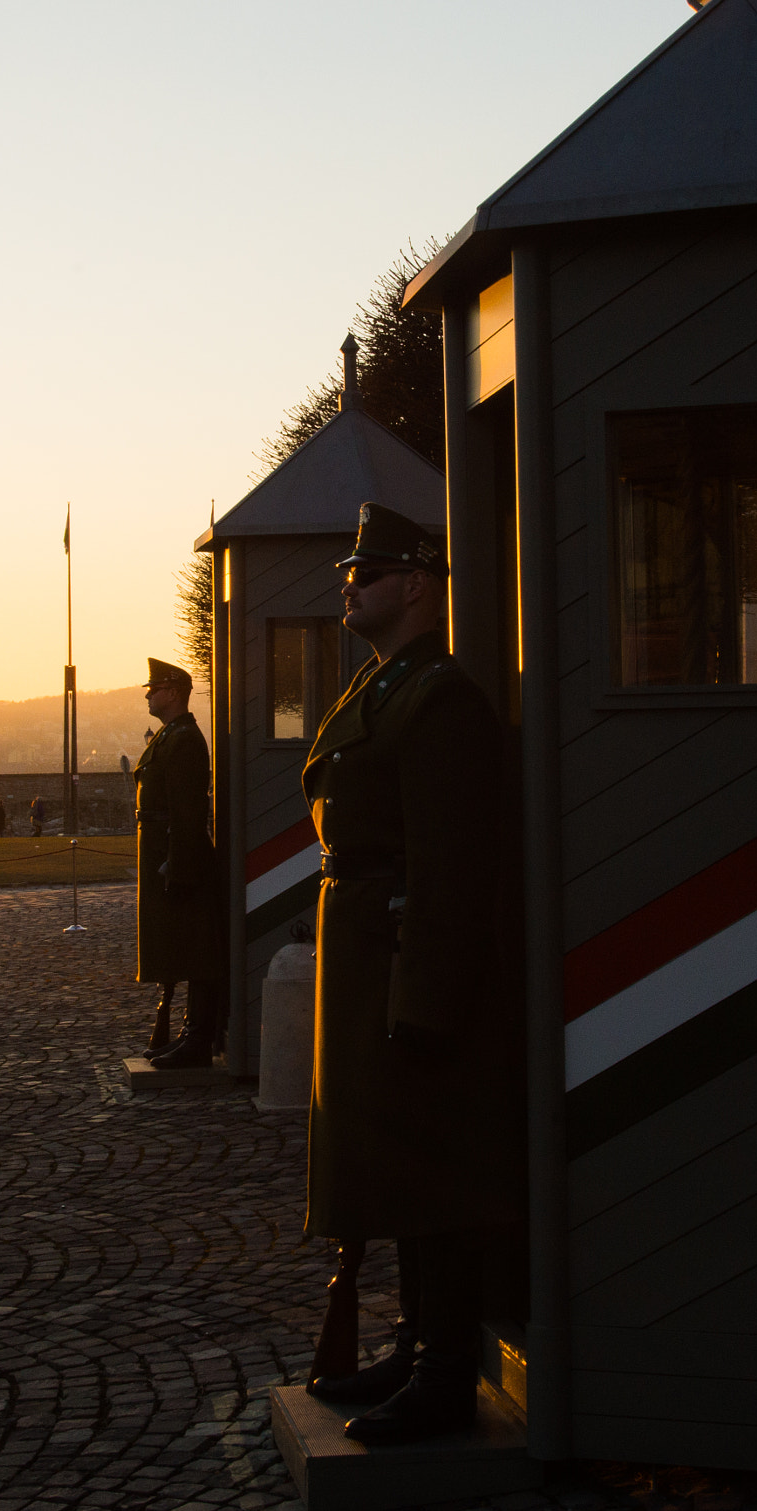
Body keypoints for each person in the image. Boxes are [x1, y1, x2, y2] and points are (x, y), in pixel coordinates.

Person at [301, 502, 510, 1446]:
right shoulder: (382, 689)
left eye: (370, 572)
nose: (350, 584)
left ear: (418, 586)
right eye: (352, 571)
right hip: (364, 955)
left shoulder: (442, 698)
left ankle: (443, 1372)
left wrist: (424, 996)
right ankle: (414, 1339)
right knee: (392, 1155)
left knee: (436, 1165)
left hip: (402, 960)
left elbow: (452, 865)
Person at [133, 658, 223, 1067]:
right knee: (176, 946)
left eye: (154, 688)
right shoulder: (171, 736)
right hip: (163, 853)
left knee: (195, 949)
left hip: (175, 856)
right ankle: (189, 1032)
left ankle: (197, 1036)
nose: (148, 694)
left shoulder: (184, 739)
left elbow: (187, 812)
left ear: (172, 692)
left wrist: (179, 866)